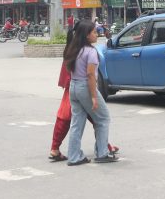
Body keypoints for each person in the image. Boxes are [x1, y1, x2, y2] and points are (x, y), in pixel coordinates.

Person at [49, 20, 118, 162]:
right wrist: (93, 96)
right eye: (94, 32)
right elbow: (91, 75)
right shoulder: (90, 52)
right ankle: (102, 153)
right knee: (103, 118)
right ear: (86, 35)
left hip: (73, 87)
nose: (97, 34)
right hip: (85, 87)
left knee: (77, 122)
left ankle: (74, 157)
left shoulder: (73, 49)